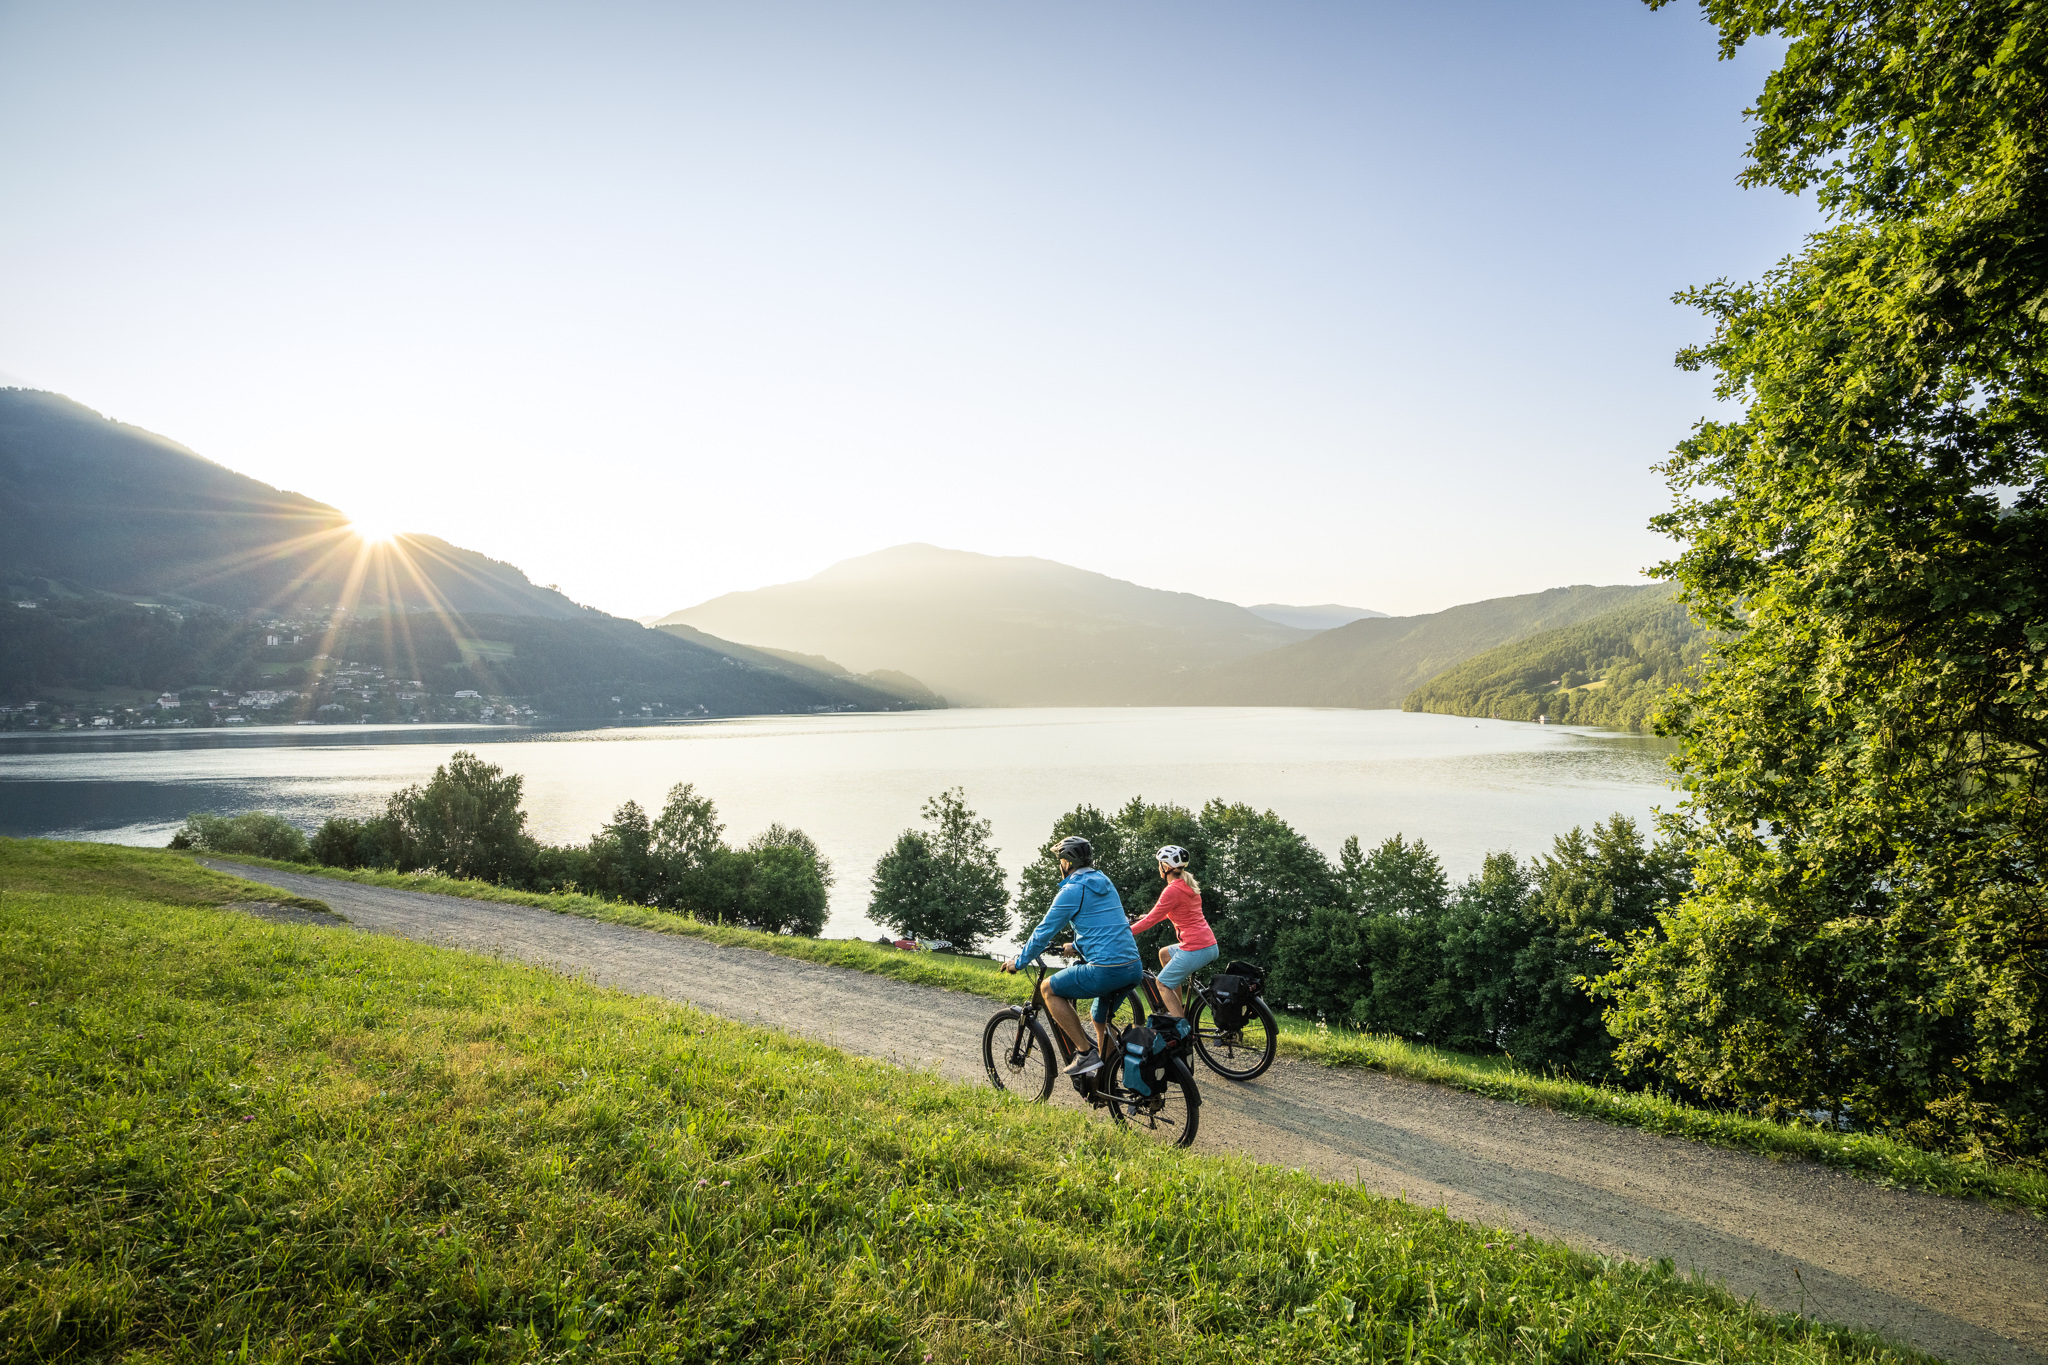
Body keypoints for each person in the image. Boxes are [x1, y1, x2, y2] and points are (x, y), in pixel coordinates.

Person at [1003, 834, 1142, 1076]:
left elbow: (1043, 932)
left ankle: (1086, 1054)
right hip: (1132, 967)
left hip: (1105, 970)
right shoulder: (1104, 882)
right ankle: (1106, 1081)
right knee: (1100, 1019)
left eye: (1060, 861)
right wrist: (1077, 946)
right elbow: (1108, 926)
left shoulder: (1072, 890)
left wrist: (1020, 961)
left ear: (1066, 863)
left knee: (1048, 989)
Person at [1127, 845, 1217, 1018]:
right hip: (1208, 944)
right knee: (1165, 954)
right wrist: (1149, 916)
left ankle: (1181, 1028)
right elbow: (1170, 912)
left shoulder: (1172, 889)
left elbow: (1151, 921)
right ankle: (1178, 1010)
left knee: (1161, 983)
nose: (1158, 867)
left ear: (1166, 867)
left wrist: (1126, 932)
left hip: (1196, 947)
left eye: (1160, 864)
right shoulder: (1186, 885)